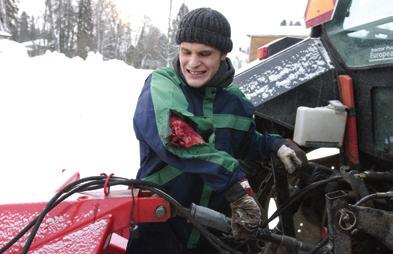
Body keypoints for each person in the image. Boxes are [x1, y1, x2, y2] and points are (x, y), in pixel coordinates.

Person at [127, 7, 307, 254]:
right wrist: (235, 186)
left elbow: (243, 141)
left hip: (212, 236)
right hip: (159, 231)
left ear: (223, 54)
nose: (192, 63)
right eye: (185, 51)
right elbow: (176, 136)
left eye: (204, 54)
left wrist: (274, 144)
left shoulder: (234, 100)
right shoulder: (163, 85)